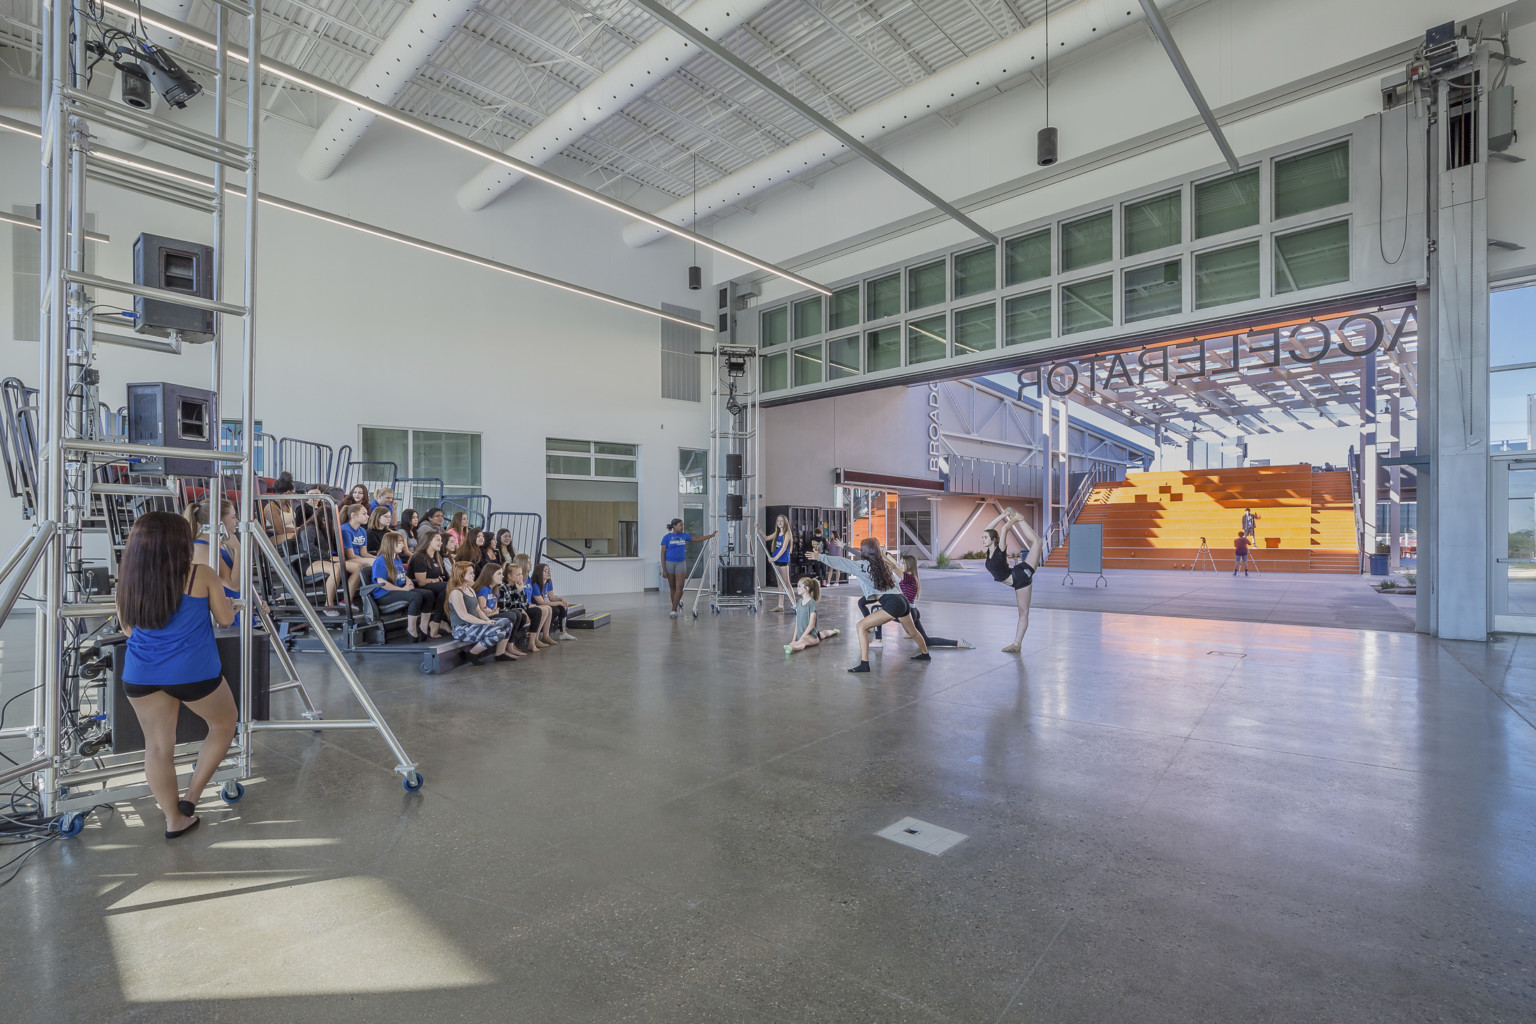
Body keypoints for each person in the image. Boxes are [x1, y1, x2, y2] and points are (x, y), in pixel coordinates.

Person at [115, 511, 239, 839]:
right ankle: (192, 798)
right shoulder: (201, 574)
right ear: (180, 542)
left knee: (157, 747)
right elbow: (226, 620)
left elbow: (128, 630)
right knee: (224, 724)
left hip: (141, 673)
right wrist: (227, 604)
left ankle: (174, 819)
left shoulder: (128, 578)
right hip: (192, 673)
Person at [809, 539, 929, 672]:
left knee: (861, 626)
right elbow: (895, 580)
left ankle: (864, 664)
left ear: (864, 551)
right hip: (902, 600)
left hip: (892, 602)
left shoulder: (861, 566)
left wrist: (819, 556)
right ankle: (925, 654)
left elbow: (842, 563)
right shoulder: (883, 564)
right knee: (913, 632)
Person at [982, 509, 1046, 654]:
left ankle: (1017, 643)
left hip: (1021, 577)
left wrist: (1015, 519)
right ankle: (1017, 644)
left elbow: (1005, 528)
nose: (983, 539)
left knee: (1037, 542)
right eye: (982, 537)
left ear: (992, 540)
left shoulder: (1000, 551)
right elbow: (989, 528)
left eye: (985, 537)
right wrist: (1002, 515)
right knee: (1022, 612)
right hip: (1017, 577)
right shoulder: (989, 553)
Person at [894, 554, 971, 649]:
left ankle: (878, 639)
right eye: (900, 563)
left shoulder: (908, 578)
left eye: (902, 563)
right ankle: (958, 643)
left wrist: (882, 555)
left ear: (909, 565)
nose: (900, 565)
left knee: (876, 610)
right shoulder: (912, 576)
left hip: (909, 613)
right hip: (914, 611)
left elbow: (894, 568)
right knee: (926, 641)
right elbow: (895, 567)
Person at [368, 532, 435, 641]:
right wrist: (402, 589)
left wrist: (408, 581)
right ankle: (411, 629)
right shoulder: (380, 560)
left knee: (428, 594)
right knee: (415, 596)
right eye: (399, 542)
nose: (402, 545)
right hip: (384, 594)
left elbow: (403, 573)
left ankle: (423, 627)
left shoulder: (397, 558)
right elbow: (382, 583)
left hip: (397, 590)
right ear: (390, 544)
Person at [445, 560, 514, 664]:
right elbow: (464, 615)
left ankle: (500, 653)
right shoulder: (456, 593)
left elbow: (477, 609)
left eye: (473, 572)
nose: (474, 575)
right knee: (498, 632)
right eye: (471, 573)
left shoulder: (470, 589)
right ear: (461, 574)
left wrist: (488, 620)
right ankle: (472, 653)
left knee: (507, 622)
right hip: (462, 628)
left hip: (474, 624)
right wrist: (485, 623)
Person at [659, 518, 718, 617]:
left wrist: (711, 535)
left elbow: (698, 539)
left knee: (680, 587)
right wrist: (664, 570)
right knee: (672, 587)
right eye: (680, 525)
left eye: (683, 525)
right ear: (674, 526)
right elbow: (662, 554)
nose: (682, 527)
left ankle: (673, 609)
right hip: (669, 563)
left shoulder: (684, 536)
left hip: (681, 564)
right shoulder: (667, 537)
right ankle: (674, 605)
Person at [475, 564, 525, 659]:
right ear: (490, 575)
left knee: (517, 614)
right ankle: (502, 651)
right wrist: (494, 612)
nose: (502, 576)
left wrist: (494, 612)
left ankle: (509, 646)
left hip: (491, 615)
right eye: (499, 574)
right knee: (512, 615)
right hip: (484, 619)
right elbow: (483, 611)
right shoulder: (483, 589)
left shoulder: (494, 589)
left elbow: (495, 610)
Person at [407, 530, 450, 639]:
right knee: (447, 586)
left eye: (441, 540)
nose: (441, 543)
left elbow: (442, 577)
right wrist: (435, 580)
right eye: (438, 540)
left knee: (450, 587)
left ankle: (440, 620)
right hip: (419, 587)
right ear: (429, 541)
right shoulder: (420, 557)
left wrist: (436, 580)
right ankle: (436, 621)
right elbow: (421, 582)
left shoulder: (437, 557)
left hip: (432, 586)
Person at [784, 577, 839, 654]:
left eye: (799, 586)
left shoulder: (811, 603)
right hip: (804, 635)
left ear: (807, 588)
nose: (797, 588)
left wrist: (798, 641)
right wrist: (793, 639)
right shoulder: (799, 602)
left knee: (803, 641)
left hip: (811, 636)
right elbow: (797, 622)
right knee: (823, 634)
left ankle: (792, 648)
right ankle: (834, 631)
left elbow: (811, 625)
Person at [529, 562, 576, 642]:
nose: (549, 572)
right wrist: (558, 603)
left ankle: (563, 632)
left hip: (545, 605)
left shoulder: (548, 582)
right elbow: (541, 602)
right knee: (556, 609)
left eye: (549, 570)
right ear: (539, 572)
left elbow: (552, 597)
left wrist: (561, 599)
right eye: (546, 571)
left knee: (562, 606)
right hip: (537, 607)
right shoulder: (535, 584)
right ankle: (544, 633)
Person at [759, 515, 793, 612]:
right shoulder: (778, 532)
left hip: (782, 560)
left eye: (781, 521)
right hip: (776, 560)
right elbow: (766, 538)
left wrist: (774, 558)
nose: (779, 523)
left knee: (786, 583)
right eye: (778, 521)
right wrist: (759, 530)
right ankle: (780, 605)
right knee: (779, 583)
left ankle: (794, 604)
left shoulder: (787, 533)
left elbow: (783, 548)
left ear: (785, 522)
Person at [339, 503, 372, 603]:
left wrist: (378, 557)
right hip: (348, 559)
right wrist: (368, 561)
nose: (368, 516)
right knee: (373, 563)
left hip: (357, 557)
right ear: (353, 515)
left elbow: (364, 553)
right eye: (364, 514)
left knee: (380, 560)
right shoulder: (345, 529)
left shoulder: (362, 530)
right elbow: (350, 555)